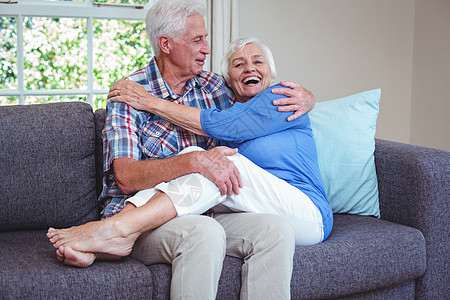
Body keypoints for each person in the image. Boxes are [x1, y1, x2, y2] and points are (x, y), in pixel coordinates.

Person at [47, 1, 316, 299]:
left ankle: (104, 240)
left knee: (275, 229)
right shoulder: (128, 94)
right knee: (204, 229)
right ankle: (114, 232)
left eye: (206, 38)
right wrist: (192, 162)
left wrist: (307, 98)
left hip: (205, 208)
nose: (207, 49)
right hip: (147, 217)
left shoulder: (216, 87)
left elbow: (255, 97)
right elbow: (125, 178)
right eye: (197, 40)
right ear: (166, 44)